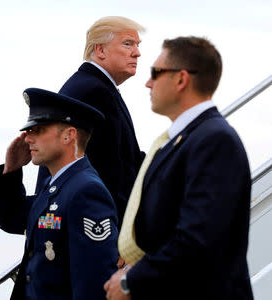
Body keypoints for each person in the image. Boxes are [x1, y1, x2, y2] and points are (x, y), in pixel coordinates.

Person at [104, 36, 254, 300]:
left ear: (181, 79)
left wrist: (131, 281)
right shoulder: (183, 140)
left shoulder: (214, 141)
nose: (148, 82)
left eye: (156, 73)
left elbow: (198, 240)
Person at [0, 88, 119, 299]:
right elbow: (13, 219)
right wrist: (10, 172)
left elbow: (93, 281)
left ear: (68, 135)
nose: (27, 139)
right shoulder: (55, 186)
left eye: (37, 130)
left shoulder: (86, 192)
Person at [36, 16, 146, 228]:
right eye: (127, 44)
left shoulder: (93, 85)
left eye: (137, 45)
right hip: (92, 226)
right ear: (100, 50)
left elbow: (125, 161)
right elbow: (111, 172)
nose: (137, 52)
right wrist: (120, 234)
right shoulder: (94, 91)